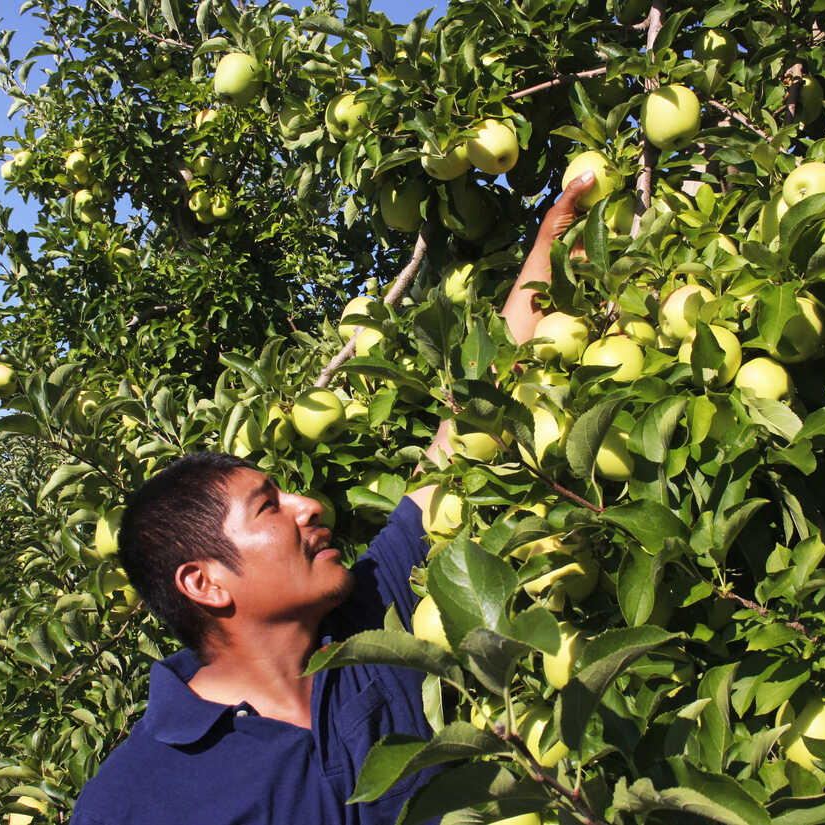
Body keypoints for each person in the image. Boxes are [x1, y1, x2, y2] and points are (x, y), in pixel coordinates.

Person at [69, 172, 597, 825]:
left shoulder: (375, 625)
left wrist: (550, 249)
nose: (310, 505)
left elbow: (461, 438)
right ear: (203, 581)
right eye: (269, 506)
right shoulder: (138, 800)